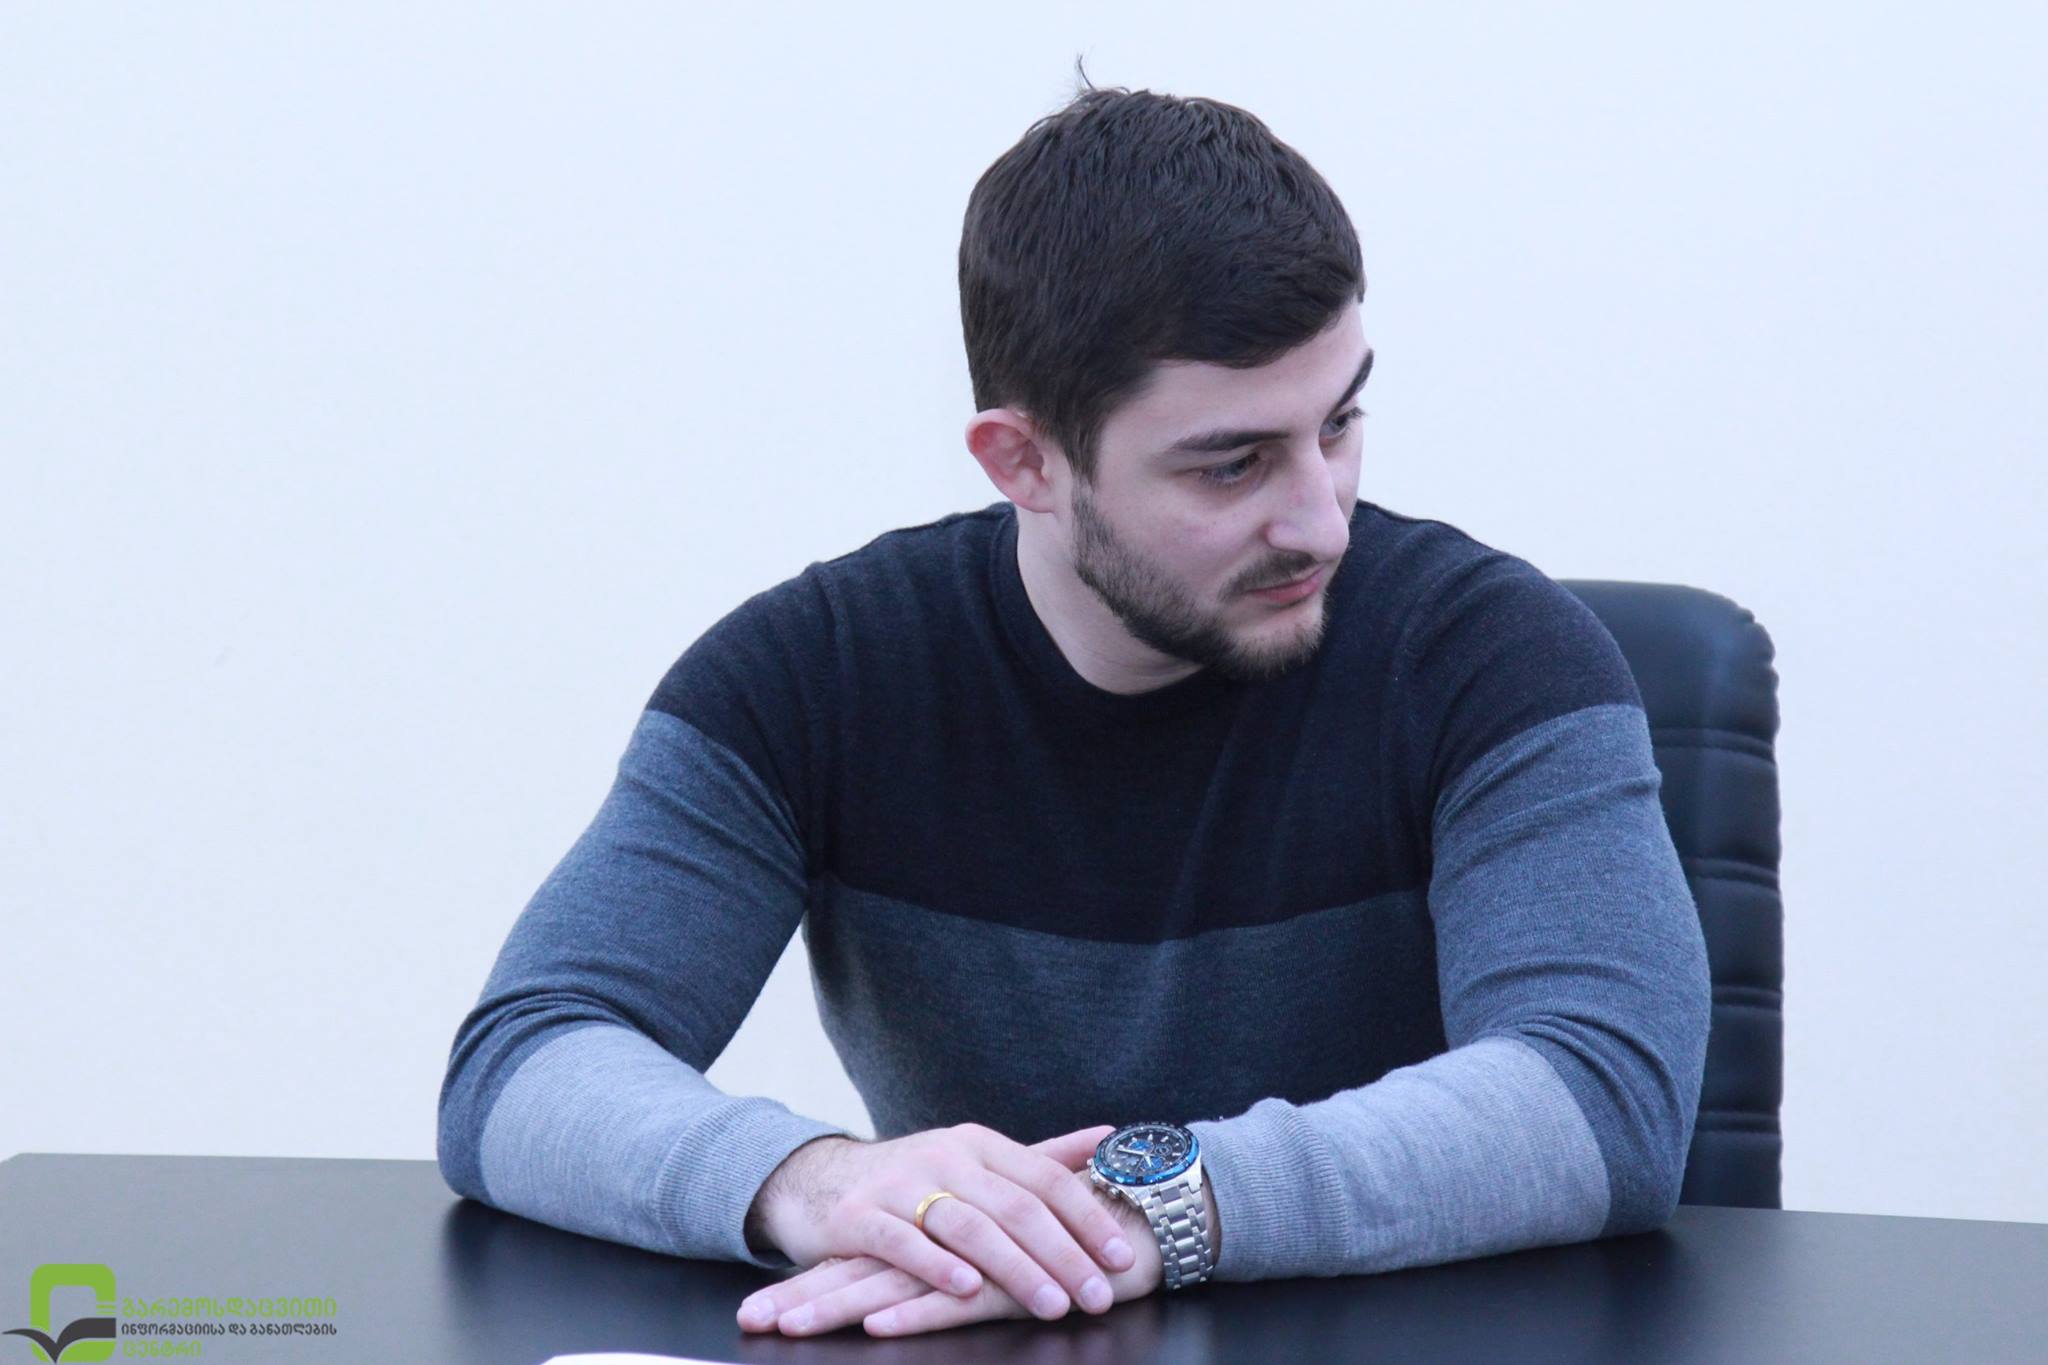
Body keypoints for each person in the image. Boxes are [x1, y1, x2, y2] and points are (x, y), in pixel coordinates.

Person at [435, 72, 1712, 1342]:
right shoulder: (807, 677)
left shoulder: (1496, 659)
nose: (1320, 520)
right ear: (1024, 460)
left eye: (1337, 423)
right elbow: (524, 1061)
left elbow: (1599, 1094)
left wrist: (1141, 1210)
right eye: (1232, 463)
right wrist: (817, 1185)